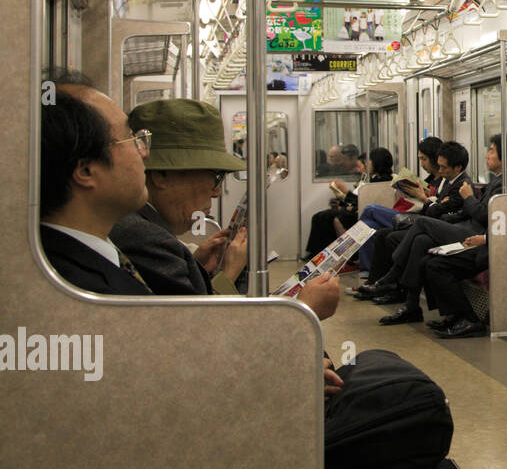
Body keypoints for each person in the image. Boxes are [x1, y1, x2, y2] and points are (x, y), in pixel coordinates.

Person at [108, 99, 340, 319]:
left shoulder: (142, 229)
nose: (216, 192)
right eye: (215, 177)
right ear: (161, 176)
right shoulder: (146, 240)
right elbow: (203, 334)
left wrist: (195, 265)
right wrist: (304, 309)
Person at [373, 135, 507, 324]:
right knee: (421, 242)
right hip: (464, 225)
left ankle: (393, 276)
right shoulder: (498, 179)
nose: (487, 155)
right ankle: (415, 307)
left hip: (475, 233)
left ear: (504, 155)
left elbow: (485, 216)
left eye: (491, 150)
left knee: (422, 223)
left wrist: (468, 198)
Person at [424, 136, 507, 339]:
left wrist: (485, 239)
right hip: (492, 241)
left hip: (503, 248)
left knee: (437, 265)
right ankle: (457, 315)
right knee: (431, 260)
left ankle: (470, 320)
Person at [39, 74, 153, 295]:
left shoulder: (61, 259)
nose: (144, 152)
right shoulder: (85, 292)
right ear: (86, 171)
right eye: (131, 138)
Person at [355, 135, 443, 271]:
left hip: (419, 220)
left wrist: (421, 196)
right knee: (369, 226)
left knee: (370, 209)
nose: (422, 164)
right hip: (410, 214)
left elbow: (437, 205)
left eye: (424, 159)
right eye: (420, 159)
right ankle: (368, 274)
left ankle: (353, 251)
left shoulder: (444, 181)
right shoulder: (430, 179)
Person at [304, 143, 364, 257]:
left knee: (328, 217)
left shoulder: (364, 177)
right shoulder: (361, 179)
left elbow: (361, 201)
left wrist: (345, 193)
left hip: (356, 211)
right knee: (319, 216)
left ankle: (321, 254)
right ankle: (316, 253)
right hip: (352, 208)